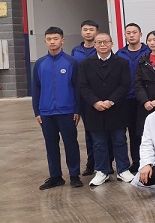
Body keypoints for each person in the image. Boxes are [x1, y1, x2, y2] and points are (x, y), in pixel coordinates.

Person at [78, 32, 135, 187]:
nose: (102, 45)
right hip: (94, 109)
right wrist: (95, 102)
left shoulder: (122, 63)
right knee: (98, 143)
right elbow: (83, 86)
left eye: (105, 42)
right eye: (99, 42)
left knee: (120, 140)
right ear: (94, 45)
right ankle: (102, 171)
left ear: (111, 44)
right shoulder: (85, 64)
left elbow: (125, 84)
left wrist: (111, 101)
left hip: (116, 108)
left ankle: (123, 169)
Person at [33, 27, 82, 190]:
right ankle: (55, 176)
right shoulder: (40, 63)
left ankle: (74, 175)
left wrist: (77, 110)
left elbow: (77, 87)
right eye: (49, 39)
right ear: (45, 41)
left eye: (55, 38)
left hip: (67, 111)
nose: (52, 42)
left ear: (62, 40)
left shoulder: (71, 62)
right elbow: (36, 89)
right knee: (51, 145)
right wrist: (37, 111)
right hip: (46, 112)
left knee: (71, 144)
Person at [116, 23, 150, 174]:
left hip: (145, 99)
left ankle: (148, 161)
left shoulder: (148, 51)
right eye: (128, 33)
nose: (131, 35)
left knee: (145, 131)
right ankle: (136, 162)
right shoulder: (120, 53)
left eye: (134, 32)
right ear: (125, 35)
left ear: (140, 34)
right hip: (127, 99)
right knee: (132, 132)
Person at [72, 19, 98, 175]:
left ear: (96, 31)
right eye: (85, 30)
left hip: (99, 96)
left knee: (102, 132)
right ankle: (91, 163)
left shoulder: (101, 47)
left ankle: (106, 163)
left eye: (91, 29)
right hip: (82, 96)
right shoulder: (76, 51)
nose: (88, 32)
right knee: (88, 132)